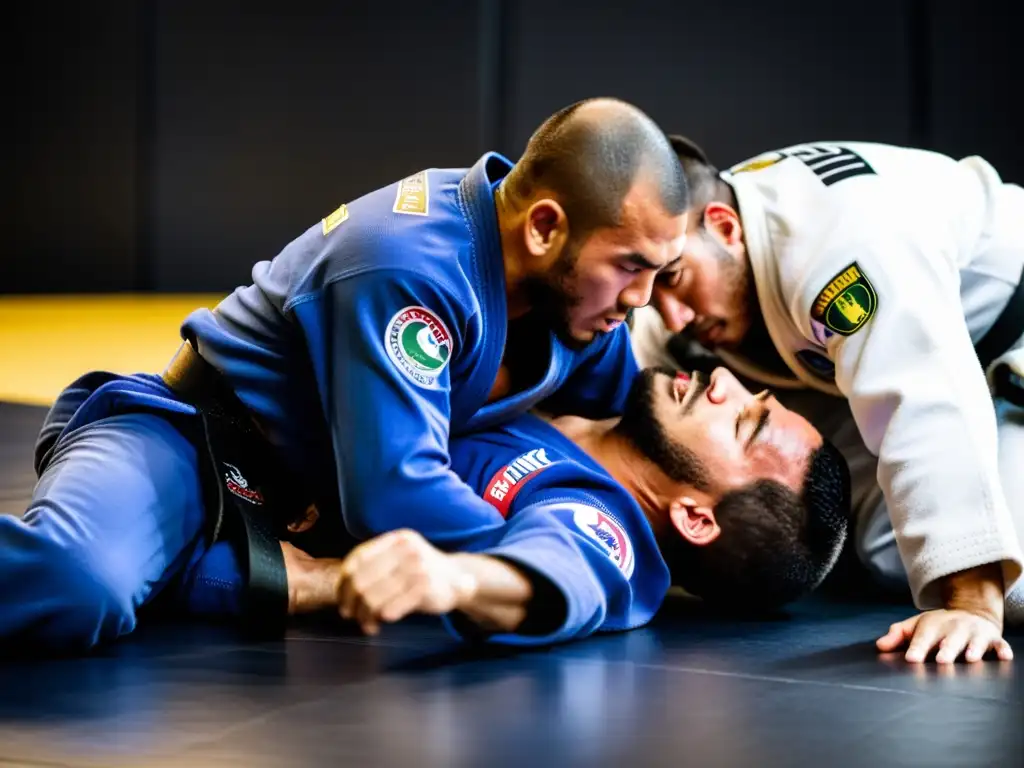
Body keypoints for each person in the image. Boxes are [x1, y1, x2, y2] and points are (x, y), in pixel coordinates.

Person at [0, 98, 691, 652]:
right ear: (545, 228)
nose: (642, 300)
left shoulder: (580, 307)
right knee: (77, 582)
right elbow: (396, 492)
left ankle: (259, 580)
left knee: (153, 587)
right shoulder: (407, 263)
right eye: (632, 265)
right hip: (193, 447)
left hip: (299, 518)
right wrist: (540, 571)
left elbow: (639, 421)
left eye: (662, 272)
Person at [631, 135, 1024, 664]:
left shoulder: (836, 248)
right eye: (654, 293)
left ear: (725, 226)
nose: (674, 315)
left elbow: (925, 394)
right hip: (915, 359)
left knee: (998, 581)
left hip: (1008, 332)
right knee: (891, 550)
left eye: (675, 280)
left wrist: (972, 606)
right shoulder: (703, 262)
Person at [270, 366, 853, 644]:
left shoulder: (602, 518)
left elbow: (568, 568)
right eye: (756, 396)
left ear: (695, 517)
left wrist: (449, 579)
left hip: (223, 509)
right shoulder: (587, 363)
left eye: (743, 422)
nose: (724, 380)